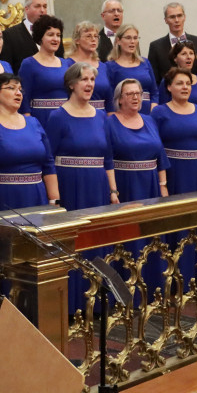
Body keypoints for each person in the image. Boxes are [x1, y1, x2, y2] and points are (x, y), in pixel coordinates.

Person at [47, 63, 118, 313]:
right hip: (70, 186)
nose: (89, 84)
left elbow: (108, 158)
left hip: (97, 187)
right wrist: (54, 197)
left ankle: (97, 303)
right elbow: (49, 159)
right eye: (83, 80)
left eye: (91, 79)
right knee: (72, 244)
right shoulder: (58, 116)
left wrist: (113, 191)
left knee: (96, 243)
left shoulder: (100, 116)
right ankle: (72, 304)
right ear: (71, 84)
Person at [151, 67, 197, 291]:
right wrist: (162, 181)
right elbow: (156, 147)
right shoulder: (159, 112)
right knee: (174, 222)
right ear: (169, 87)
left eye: (188, 84)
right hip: (173, 174)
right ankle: (173, 279)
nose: (185, 87)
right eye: (180, 83)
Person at [107, 78, 170, 297]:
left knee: (151, 237)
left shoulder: (149, 120)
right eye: (130, 94)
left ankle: (152, 289)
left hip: (151, 185)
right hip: (126, 186)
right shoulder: (110, 122)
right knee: (129, 240)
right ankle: (126, 293)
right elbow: (107, 159)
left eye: (139, 93)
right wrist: (113, 190)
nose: (135, 97)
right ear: (119, 99)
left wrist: (163, 185)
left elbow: (160, 154)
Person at [0, 73, 58, 212]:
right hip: (2, 199)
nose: (18, 93)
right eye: (11, 88)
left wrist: (55, 201)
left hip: (37, 197)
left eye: (20, 89)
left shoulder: (34, 122)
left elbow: (48, 164)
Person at [18, 14, 72, 130]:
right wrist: (28, 123)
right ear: (40, 37)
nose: (56, 39)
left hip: (65, 117)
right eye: (50, 35)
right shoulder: (29, 64)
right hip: (40, 119)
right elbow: (24, 97)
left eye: (58, 35)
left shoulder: (66, 64)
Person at [0, 0, 64, 73]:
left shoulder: (56, 33)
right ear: (26, 9)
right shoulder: (10, 35)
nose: (42, 10)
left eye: (45, 6)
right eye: (37, 6)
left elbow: (60, 60)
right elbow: (7, 68)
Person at [148, 2, 197, 82]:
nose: (176, 20)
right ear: (166, 20)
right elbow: (154, 80)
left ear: (184, 17)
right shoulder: (155, 47)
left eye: (179, 16)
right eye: (172, 17)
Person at [106, 24, 157, 115]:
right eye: (128, 38)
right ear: (118, 41)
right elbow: (110, 96)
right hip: (124, 114)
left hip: (148, 113)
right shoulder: (110, 66)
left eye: (135, 38)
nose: (132, 41)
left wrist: (154, 107)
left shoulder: (145, 62)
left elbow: (154, 91)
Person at [66, 21, 113, 111]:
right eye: (88, 36)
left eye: (96, 36)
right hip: (77, 113)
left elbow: (109, 100)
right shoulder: (67, 64)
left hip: (102, 116)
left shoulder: (104, 67)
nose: (93, 39)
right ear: (77, 40)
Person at [157, 40, 197, 111]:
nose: (188, 57)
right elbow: (162, 109)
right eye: (184, 54)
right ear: (175, 58)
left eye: (191, 53)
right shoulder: (167, 80)